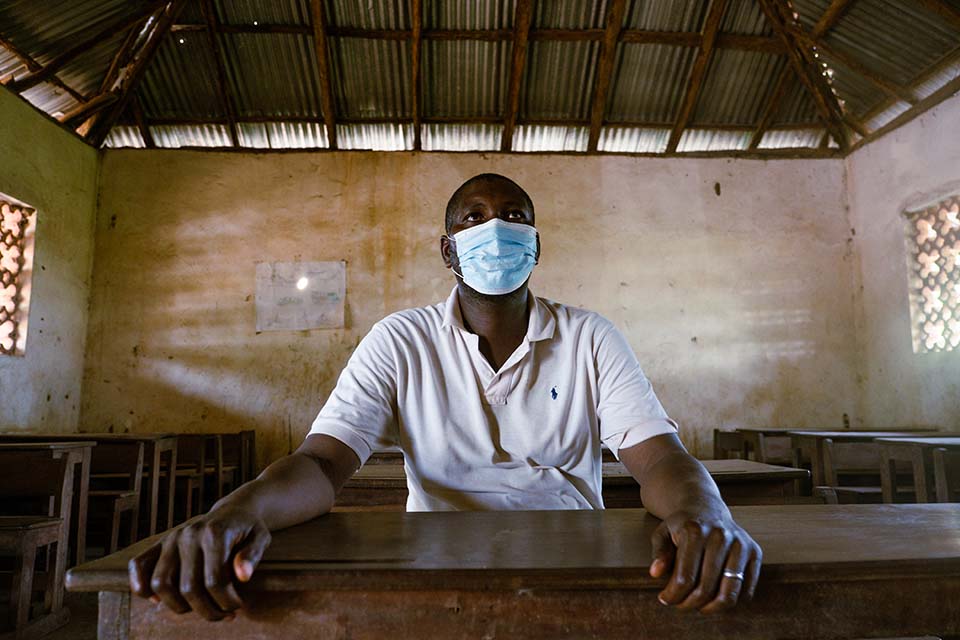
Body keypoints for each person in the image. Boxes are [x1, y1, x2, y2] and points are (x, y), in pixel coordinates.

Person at [129, 173, 762, 620]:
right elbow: (323, 462)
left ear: (536, 244)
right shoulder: (400, 339)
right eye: (474, 217)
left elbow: (658, 458)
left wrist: (707, 512)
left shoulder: (589, 335)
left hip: (573, 551)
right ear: (447, 249)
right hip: (433, 556)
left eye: (515, 216)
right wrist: (242, 511)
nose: (497, 228)